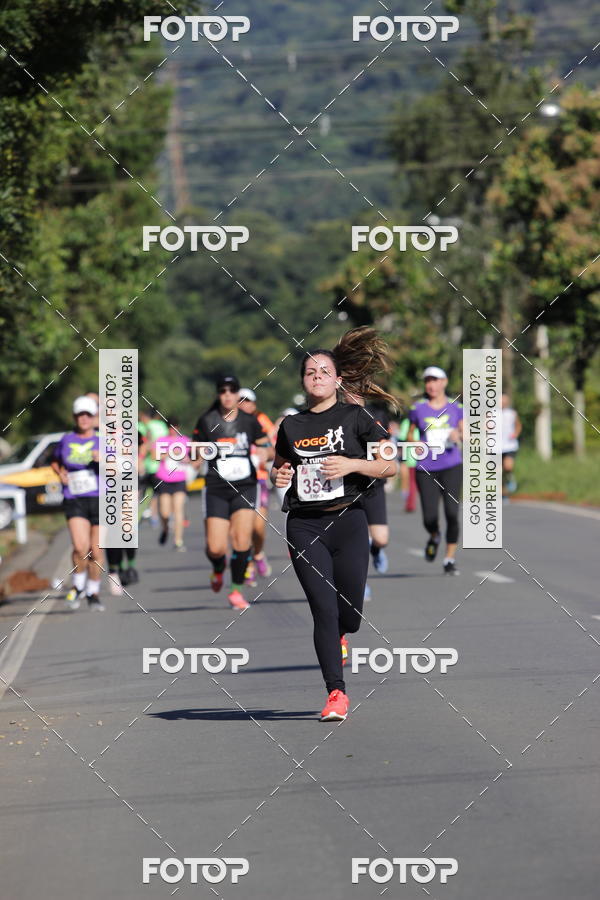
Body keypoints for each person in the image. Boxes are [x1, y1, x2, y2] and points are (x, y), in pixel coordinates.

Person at [271, 327, 397, 722]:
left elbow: (390, 466)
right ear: (302, 382)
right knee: (323, 609)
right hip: (305, 526)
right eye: (310, 372)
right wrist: (279, 475)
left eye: (324, 371)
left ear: (338, 379)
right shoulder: (291, 426)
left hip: (349, 520)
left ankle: (344, 633)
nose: (317, 377)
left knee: (350, 615)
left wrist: (352, 464)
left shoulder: (358, 417)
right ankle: (336, 692)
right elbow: (280, 467)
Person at [192, 375, 270, 610]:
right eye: (223, 390)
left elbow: (268, 447)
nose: (227, 395)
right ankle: (218, 568)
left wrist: (264, 454)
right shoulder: (207, 421)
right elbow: (195, 452)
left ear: (238, 394)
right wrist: (195, 458)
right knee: (216, 548)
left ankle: (236, 591)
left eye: (232, 390)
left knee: (241, 540)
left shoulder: (249, 421)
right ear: (218, 394)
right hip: (216, 487)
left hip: (245, 486)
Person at [407, 366, 463, 575]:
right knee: (429, 517)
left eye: (435, 380)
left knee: (452, 513)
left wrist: (458, 435)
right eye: (428, 380)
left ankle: (449, 559)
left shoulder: (456, 407)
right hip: (426, 467)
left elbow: (465, 431)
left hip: (451, 465)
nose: (431, 384)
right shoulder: (417, 408)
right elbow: (409, 434)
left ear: (444, 382)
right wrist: (415, 443)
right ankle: (434, 535)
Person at [52, 396, 104, 610]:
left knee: (96, 551)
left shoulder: (103, 441)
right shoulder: (66, 440)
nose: (84, 419)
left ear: (94, 417)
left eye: (88, 415)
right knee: (80, 548)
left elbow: (119, 469)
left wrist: (103, 460)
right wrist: (60, 474)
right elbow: (55, 461)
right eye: (80, 415)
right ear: (74, 417)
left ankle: (93, 592)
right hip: (75, 499)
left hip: (100, 499)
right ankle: (78, 585)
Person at [238, 388, 275, 583]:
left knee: (258, 526)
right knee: (242, 526)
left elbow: (273, 448)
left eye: (247, 401)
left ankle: (258, 554)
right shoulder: (227, 423)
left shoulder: (262, 421)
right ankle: (248, 565)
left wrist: (265, 454)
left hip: (258, 478)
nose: (244, 404)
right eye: (240, 401)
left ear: (254, 404)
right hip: (236, 481)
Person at [151, 415, 190, 551]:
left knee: (178, 510)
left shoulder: (185, 441)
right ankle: (165, 528)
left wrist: (185, 458)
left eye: (175, 427)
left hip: (179, 480)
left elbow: (193, 458)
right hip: (164, 479)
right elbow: (154, 456)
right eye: (170, 427)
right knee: (165, 512)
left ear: (178, 427)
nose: (173, 430)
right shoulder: (161, 441)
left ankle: (178, 541)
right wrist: (170, 453)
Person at [138, 408, 168, 526]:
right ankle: (154, 515)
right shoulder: (161, 425)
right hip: (158, 466)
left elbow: (145, 444)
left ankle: (148, 514)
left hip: (149, 465)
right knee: (155, 493)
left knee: (146, 492)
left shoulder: (142, 426)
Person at [501, 393, 521, 499]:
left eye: (504, 401)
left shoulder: (512, 413)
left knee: (508, 466)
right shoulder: (490, 413)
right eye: (501, 400)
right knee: (497, 471)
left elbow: (518, 425)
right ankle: (503, 493)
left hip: (509, 445)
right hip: (495, 447)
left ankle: (509, 478)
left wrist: (515, 434)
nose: (503, 403)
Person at [398, 416, 418, 512]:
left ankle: (410, 504)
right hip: (422, 455)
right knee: (413, 481)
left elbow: (402, 438)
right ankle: (410, 503)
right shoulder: (422, 419)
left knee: (410, 481)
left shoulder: (407, 422)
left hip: (410, 456)